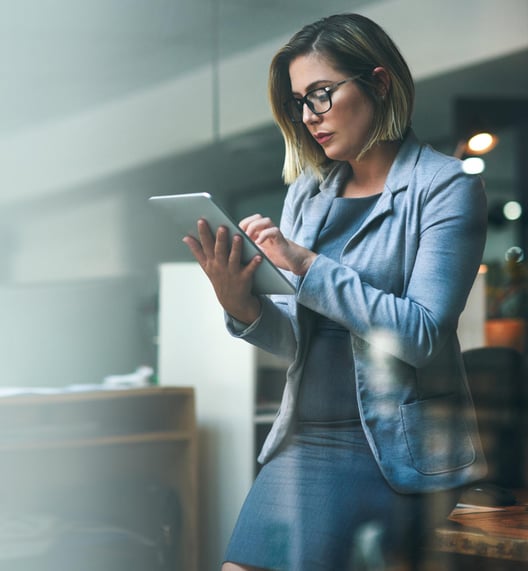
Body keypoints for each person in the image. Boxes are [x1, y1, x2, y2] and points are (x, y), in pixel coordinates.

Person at [183, 12, 488, 571]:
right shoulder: (308, 194)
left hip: (389, 452)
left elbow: (421, 335)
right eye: (300, 102)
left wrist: (306, 264)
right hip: (301, 440)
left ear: (379, 81)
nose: (308, 117)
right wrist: (240, 302)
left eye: (320, 95)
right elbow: (298, 339)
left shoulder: (444, 187)